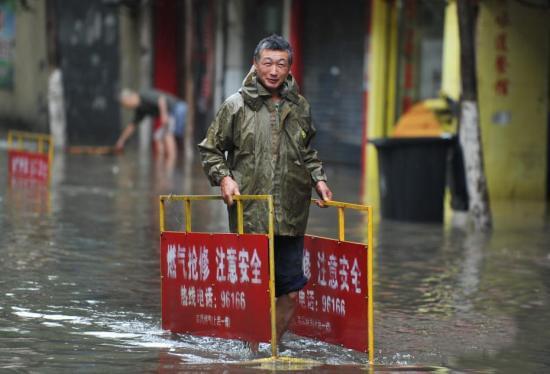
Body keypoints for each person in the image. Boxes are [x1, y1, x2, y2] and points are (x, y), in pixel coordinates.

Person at [198, 34, 333, 351]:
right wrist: (224, 179)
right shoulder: (235, 107)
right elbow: (211, 150)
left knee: (289, 293)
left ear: (289, 68)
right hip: (251, 214)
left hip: (291, 213)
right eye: (268, 62)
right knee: (254, 292)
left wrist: (319, 179)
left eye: (281, 64)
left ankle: (268, 351)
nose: (273, 70)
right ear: (255, 64)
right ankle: (250, 352)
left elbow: (306, 151)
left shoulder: (300, 107)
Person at [115, 88, 187, 161]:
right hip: (172, 112)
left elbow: (161, 99)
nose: (128, 107)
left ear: (130, 98)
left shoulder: (143, 95)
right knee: (157, 136)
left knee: (167, 133)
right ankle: (163, 161)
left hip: (177, 108)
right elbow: (132, 126)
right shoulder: (140, 109)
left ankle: (172, 160)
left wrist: (164, 115)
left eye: (126, 104)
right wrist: (121, 141)